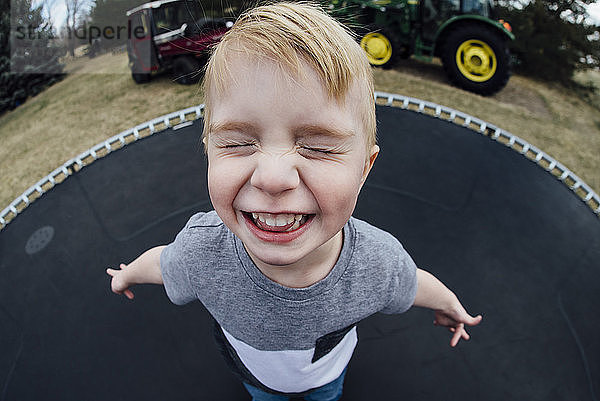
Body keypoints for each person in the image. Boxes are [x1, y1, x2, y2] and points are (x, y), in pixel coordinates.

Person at [106, 3, 482, 400]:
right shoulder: (202, 251)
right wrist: (127, 274)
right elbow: (164, 264)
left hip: (326, 379)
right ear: (209, 151)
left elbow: (412, 283)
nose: (272, 177)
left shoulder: (376, 262)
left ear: (364, 168)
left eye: (319, 147)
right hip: (256, 378)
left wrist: (450, 305)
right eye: (236, 144)